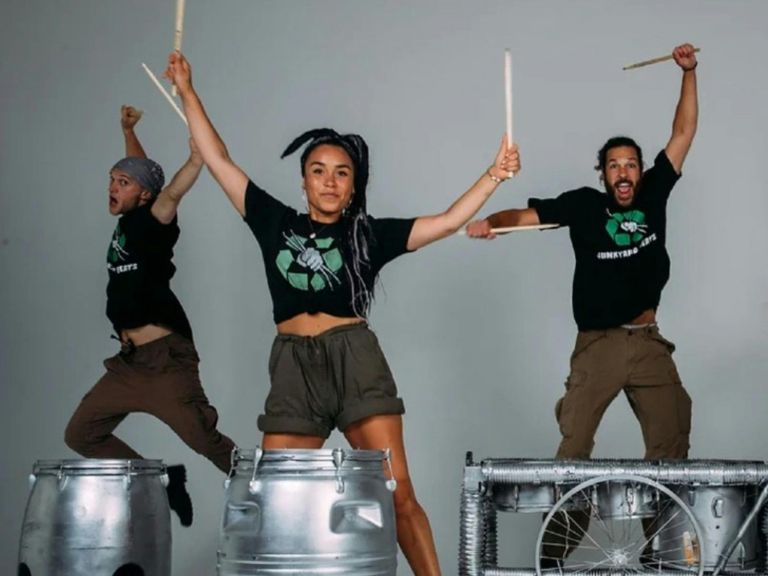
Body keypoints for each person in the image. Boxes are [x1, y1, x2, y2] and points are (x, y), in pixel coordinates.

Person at [165, 51, 519, 575]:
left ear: (354, 185)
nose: (330, 182)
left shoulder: (366, 236)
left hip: (354, 359)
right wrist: (188, 91)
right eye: (318, 171)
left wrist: (494, 175)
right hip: (292, 367)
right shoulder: (272, 221)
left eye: (341, 174)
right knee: (275, 499)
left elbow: (445, 222)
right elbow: (218, 160)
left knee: (398, 495)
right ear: (304, 180)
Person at [467, 43, 698, 564]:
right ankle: (554, 558)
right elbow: (525, 216)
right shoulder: (584, 206)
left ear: (641, 172)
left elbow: (683, 134)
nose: (623, 173)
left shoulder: (655, 193)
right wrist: (490, 223)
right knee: (573, 451)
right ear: (602, 173)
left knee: (673, 447)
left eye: (631, 165)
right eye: (614, 165)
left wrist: (688, 73)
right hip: (598, 345)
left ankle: (661, 555)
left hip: (649, 342)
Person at [64, 105, 237, 527]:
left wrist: (196, 160)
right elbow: (145, 174)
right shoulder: (129, 214)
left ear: (142, 195)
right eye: (112, 179)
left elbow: (170, 191)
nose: (113, 186)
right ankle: (161, 481)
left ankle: (272, 494)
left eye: (122, 183)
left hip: (164, 361)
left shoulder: (154, 219)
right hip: (128, 365)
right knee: (81, 434)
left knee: (206, 441)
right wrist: (129, 130)